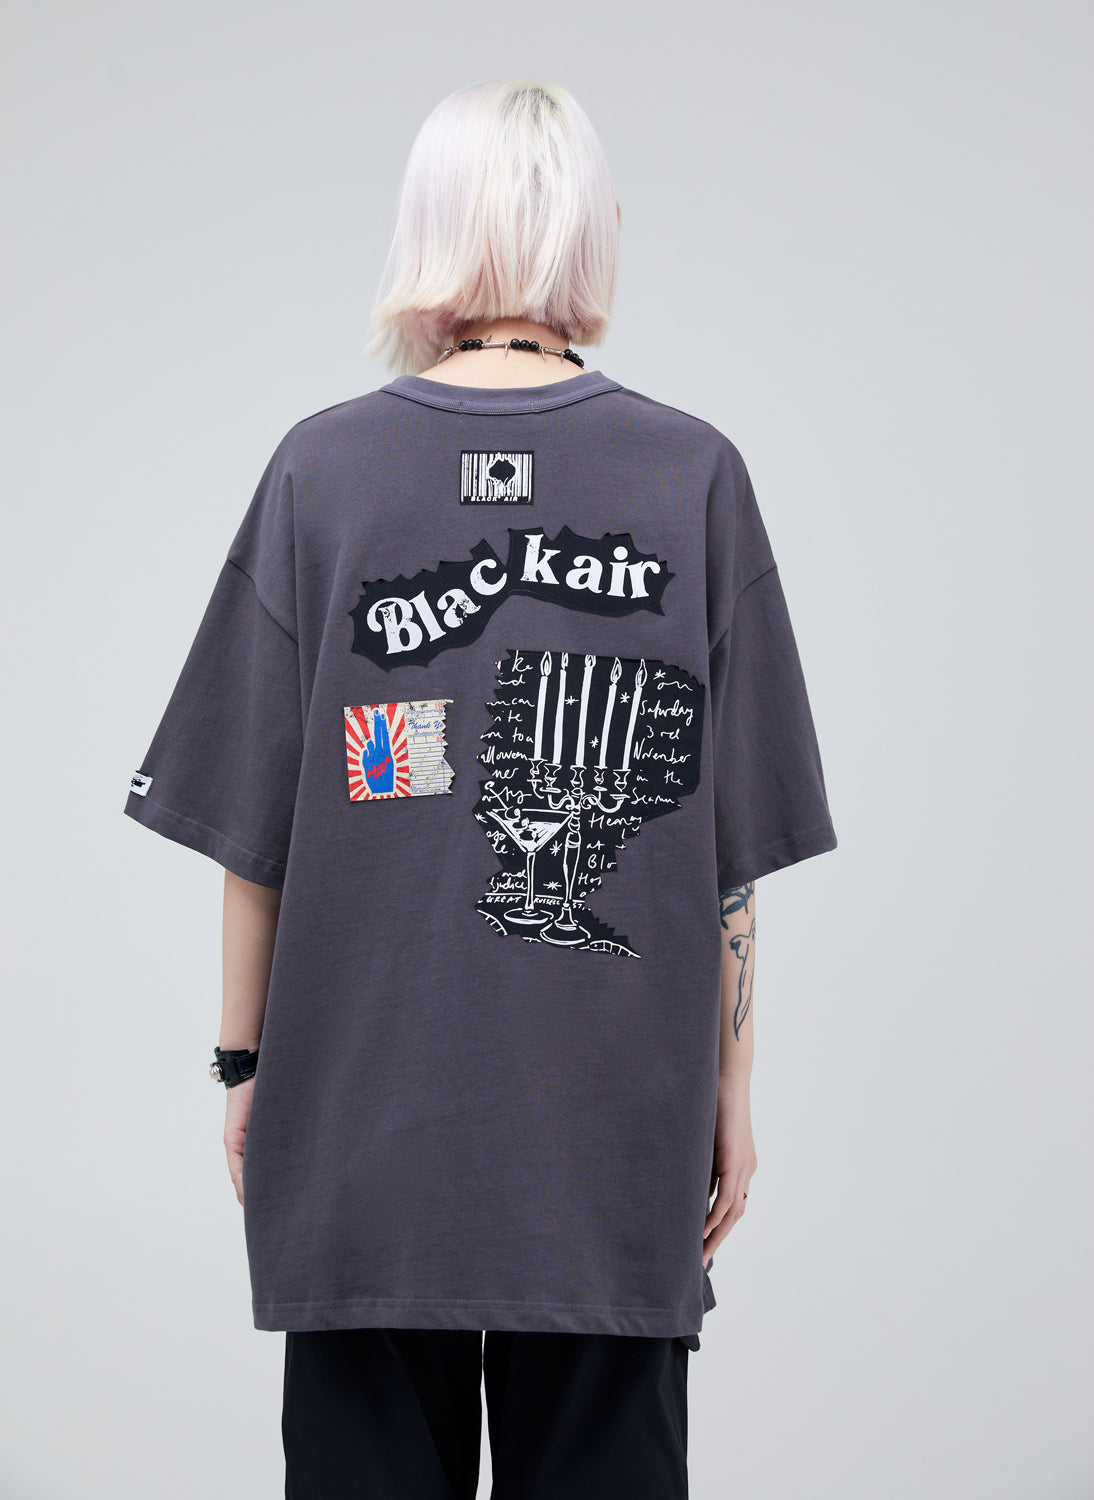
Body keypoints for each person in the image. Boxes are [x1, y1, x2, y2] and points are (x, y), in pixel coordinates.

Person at [123, 77, 838, 1498]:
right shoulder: (692, 473)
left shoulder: (321, 469)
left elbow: (255, 832)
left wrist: (244, 1069)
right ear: (592, 230)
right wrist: (732, 1088)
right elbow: (726, 853)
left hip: (360, 1125)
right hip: (612, 1133)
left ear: (427, 228)